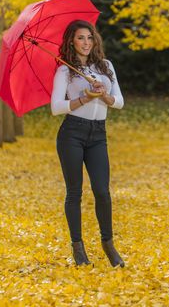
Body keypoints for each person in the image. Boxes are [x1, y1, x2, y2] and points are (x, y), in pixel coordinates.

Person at [51, 19, 125, 267]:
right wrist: (84, 98)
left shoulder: (105, 67)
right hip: (72, 133)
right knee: (74, 192)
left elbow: (119, 102)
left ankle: (108, 243)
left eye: (89, 38)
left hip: (98, 135)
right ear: (72, 40)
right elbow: (56, 107)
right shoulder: (65, 70)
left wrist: (103, 94)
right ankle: (78, 248)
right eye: (81, 38)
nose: (86, 42)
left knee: (102, 192)